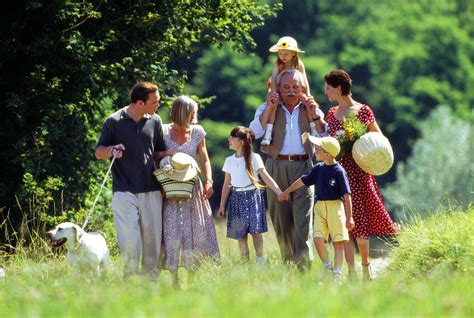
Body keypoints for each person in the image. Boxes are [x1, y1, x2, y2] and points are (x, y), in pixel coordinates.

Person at [323, 69, 398, 279]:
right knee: (344, 221)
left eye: (329, 87)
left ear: (338, 87)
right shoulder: (331, 113)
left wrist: (360, 143)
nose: (326, 92)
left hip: (361, 170)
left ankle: (365, 265)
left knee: (361, 220)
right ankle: (352, 271)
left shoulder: (363, 111)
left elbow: (378, 137)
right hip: (339, 172)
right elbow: (330, 142)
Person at [249, 68, 326, 269]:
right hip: (275, 166)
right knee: (281, 219)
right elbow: (254, 133)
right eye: (286, 87)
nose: (291, 91)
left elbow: (324, 139)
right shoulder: (268, 107)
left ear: (302, 88)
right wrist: (268, 108)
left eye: (295, 87)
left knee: (304, 219)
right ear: (278, 89)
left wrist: (315, 117)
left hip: (304, 166)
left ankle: (303, 267)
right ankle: (288, 265)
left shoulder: (311, 108)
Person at [95, 82, 165, 278]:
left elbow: (158, 152)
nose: (158, 105)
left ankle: (151, 282)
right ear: (140, 102)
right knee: (130, 239)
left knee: (151, 240)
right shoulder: (113, 121)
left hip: (151, 188)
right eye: (155, 101)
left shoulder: (155, 121)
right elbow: (99, 152)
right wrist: (111, 150)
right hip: (123, 190)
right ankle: (131, 279)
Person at [156, 95, 219, 288]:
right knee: (171, 232)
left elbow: (205, 159)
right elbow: (155, 155)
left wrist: (209, 180)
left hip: (193, 188)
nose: (195, 116)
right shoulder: (164, 131)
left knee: (197, 231)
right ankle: (174, 281)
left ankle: (193, 278)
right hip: (170, 189)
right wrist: (170, 153)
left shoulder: (198, 132)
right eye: (192, 113)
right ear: (183, 113)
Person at [279, 136, 354, 282]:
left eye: (318, 149)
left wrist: (349, 217)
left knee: (338, 243)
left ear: (327, 153)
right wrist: (286, 191)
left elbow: (347, 195)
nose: (315, 151)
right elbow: (302, 180)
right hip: (319, 208)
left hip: (335, 208)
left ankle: (337, 274)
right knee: (318, 240)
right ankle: (328, 267)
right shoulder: (318, 168)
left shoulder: (339, 171)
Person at [217, 126, 282, 266]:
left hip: (253, 197)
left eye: (232, 137)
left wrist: (279, 192)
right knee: (241, 235)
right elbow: (226, 184)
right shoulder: (229, 160)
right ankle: (245, 264)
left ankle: (260, 261)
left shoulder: (254, 157)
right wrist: (222, 205)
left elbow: (265, 177)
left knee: (256, 232)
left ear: (241, 142)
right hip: (236, 198)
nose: (229, 140)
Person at [261, 36, 314, 146]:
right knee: (274, 105)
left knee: (308, 103)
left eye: (286, 54)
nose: (282, 56)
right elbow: (275, 79)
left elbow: (304, 80)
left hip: (296, 88)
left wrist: (308, 94)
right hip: (279, 88)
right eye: (280, 54)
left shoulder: (299, 64)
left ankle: (313, 128)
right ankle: (268, 134)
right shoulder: (277, 64)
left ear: (293, 54)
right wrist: (274, 93)